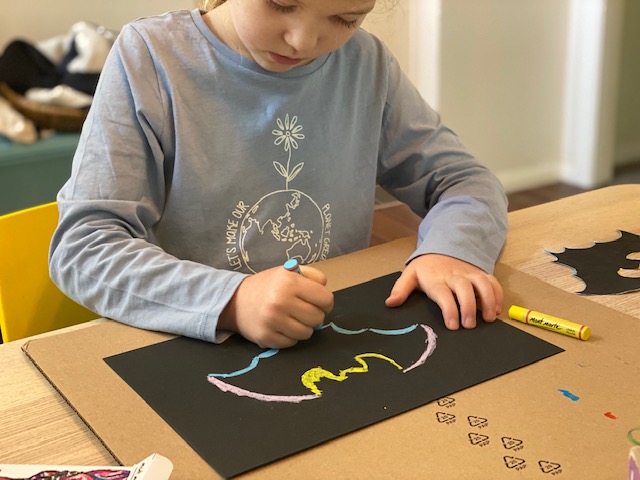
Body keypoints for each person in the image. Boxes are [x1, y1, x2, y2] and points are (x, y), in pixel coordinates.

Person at [49, 0, 508, 349]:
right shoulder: (149, 57)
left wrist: (452, 249)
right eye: (281, 3)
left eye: (346, 18)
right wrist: (231, 301)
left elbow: (464, 180)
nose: (302, 42)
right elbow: (83, 247)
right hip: (196, 343)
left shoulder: (367, 64)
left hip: (330, 334)